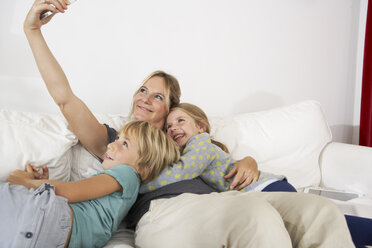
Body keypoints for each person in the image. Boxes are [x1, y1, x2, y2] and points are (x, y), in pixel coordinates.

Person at [23, 1, 361, 247]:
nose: (145, 98)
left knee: (319, 211)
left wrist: (248, 160)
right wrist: (33, 31)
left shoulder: (185, 140)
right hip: (167, 213)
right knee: (253, 218)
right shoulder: (117, 143)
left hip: (225, 202)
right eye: (143, 89)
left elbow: (224, 164)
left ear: (171, 111)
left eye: (157, 97)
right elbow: (65, 99)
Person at [1, 120, 180, 247]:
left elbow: (71, 192)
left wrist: (28, 183)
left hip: (49, 221)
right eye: (117, 138)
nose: (111, 145)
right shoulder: (124, 186)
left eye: (124, 143)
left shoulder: (128, 173)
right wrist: (43, 185)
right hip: (54, 231)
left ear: (143, 167)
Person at [141, 103, 291, 194]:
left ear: (200, 127)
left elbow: (184, 170)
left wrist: (141, 186)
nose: (173, 128)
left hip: (266, 187)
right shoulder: (189, 151)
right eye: (168, 127)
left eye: (180, 121)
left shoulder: (200, 142)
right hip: (255, 193)